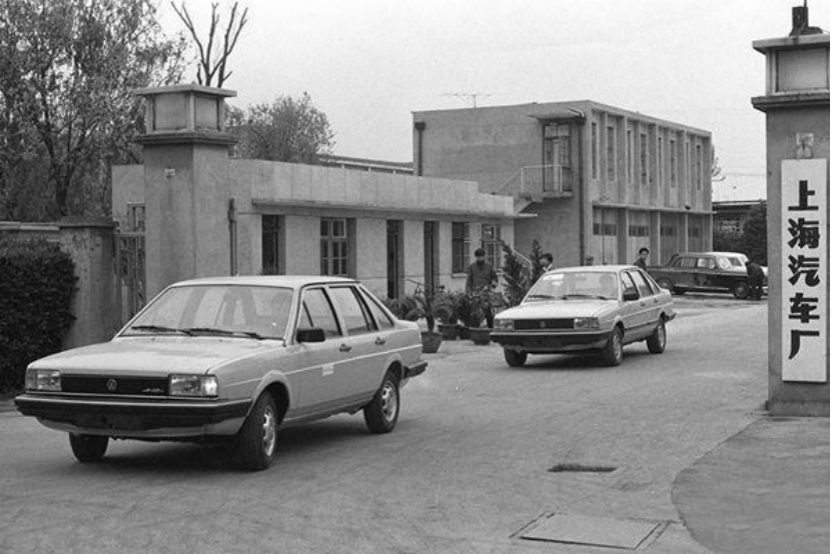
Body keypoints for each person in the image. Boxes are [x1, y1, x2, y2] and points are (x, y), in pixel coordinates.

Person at [466, 248, 498, 328]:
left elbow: (494, 278)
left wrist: (493, 284)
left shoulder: (489, 266)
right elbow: (469, 280)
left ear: (484, 257)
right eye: (479, 257)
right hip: (475, 294)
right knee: (475, 313)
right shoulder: (472, 267)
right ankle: (475, 329)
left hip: (486, 293)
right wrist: (468, 292)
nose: (480, 258)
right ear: (476, 257)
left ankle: (490, 328)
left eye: (482, 257)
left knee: (489, 312)